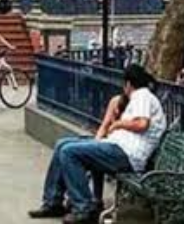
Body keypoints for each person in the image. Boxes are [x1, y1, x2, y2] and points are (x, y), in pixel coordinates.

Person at [29, 64, 167, 223]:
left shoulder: (142, 95)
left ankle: (84, 207)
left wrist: (118, 124)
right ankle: (53, 201)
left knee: (69, 152)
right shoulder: (141, 97)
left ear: (128, 84)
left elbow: (142, 124)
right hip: (116, 147)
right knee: (62, 144)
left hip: (126, 154)